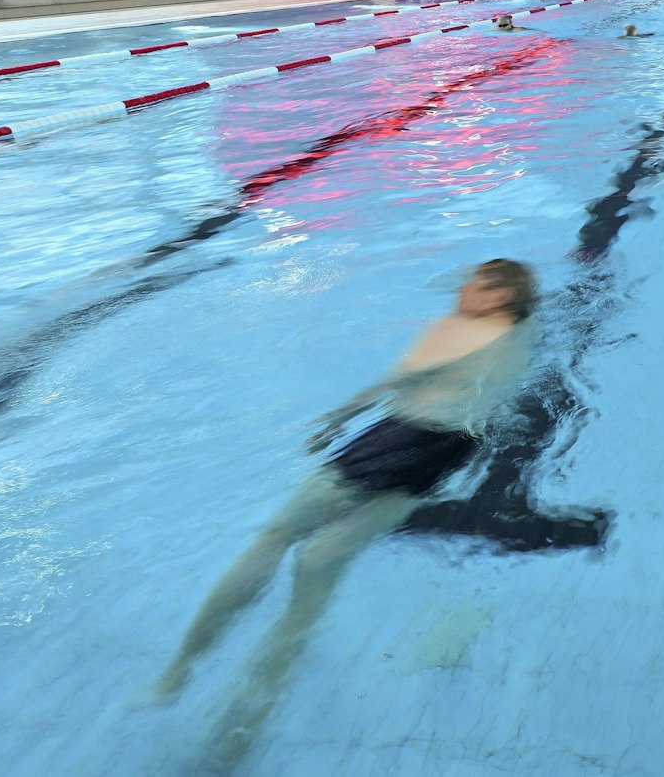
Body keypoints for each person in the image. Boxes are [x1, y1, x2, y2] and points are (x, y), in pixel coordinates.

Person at [156, 261, 538, 726]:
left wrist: (337, 417)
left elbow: (398, 380)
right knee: (319, 566)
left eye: (471, 284)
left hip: (400, 439)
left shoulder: (459, 329)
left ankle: (180, 668)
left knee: (275, 537)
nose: (460, 288)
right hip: (447, 456)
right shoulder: (521, 337)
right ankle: (250, 717)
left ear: (497, 298)